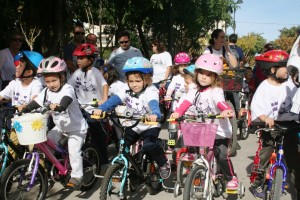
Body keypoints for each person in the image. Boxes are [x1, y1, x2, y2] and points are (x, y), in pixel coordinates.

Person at [93, 57, 171, 179]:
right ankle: (124, 167)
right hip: (135, 125)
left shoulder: (151, 90)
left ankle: (162, 163)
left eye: (138, 81)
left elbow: (153, 103)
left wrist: (155, 114)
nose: (134, 84)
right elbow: (115, 99)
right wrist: (102, 109)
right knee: (122, 146)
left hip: (150, 125)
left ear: (146, 79)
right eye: (131, 81)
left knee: (149, 145)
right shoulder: (126, 89)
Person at [170, 54, 239, 191]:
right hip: (200, 127)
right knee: (193, 150)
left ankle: (231, 177)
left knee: (222, 154)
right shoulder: (194, 88)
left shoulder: (216, 90)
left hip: (218, 129)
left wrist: (226, 110)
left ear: (215, 77)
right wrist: (178, 112)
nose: (203, 76)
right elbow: (187, 101)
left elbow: (220, 102)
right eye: (201, 72)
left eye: (208, 74)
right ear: (196, 72)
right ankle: (197, 173)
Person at [21, 56, 88, 188]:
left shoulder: (67, 88)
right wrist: (26, 108)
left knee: (74, 151)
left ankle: (77, 176)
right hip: (60, 128)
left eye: (54, 80)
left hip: (76, 128)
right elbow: (36, 102)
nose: (51, 84)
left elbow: (66, 100)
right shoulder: (46, 92)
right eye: (47, 81)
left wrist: (59, 106)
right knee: (45, 143)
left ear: (62, 77)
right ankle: (54, 168)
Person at [249, 50, 300, 199]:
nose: (289, 70)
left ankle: (298, 186)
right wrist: (265, 118)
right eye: (285, 67)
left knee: (294, 159)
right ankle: (257, 183)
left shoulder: (292, 84)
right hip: (271, 127)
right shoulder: (264, 87)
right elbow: (256, 107)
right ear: (273, 70)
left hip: (291, 125)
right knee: (264, 155)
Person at [68, 43, 109, 164]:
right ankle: (85, 157)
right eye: (77, 58)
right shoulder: (77, 73)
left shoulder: (95, 72)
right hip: (81, 107)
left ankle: (103, 161)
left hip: (94, 108)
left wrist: (105, 98)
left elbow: (104, 85)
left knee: (98, 135)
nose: (78, 61)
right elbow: (69, 86)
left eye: (81, 58)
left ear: (91, 59)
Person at [0, 51, 44, 159]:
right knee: (11, 150)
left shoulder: (36, 84)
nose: (16, 67)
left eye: (19, 65)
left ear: (29, 71)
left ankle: (42, 173)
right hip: (18, 123)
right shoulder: (14, 83)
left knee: (35, 151)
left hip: (33, 124)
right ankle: (13, 171)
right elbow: (1, 96)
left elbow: (35, 99)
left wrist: (26, 106)